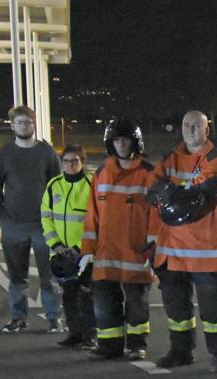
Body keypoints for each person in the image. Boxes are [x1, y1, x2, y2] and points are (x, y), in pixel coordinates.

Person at [151, 110, 217, 373]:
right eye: (187, 125)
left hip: (205, 249)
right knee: (176, 308)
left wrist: (172, 195)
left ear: (206, 130)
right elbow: (152, 191)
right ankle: (180, 351)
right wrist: (176, 196)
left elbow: (201, 200)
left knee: (213, 308)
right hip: (172, 249)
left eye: (197, 126)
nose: (191, 130)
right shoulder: (169, 159)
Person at [81, 119, 159, 360]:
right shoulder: (101, 174)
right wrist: (87, 251)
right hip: (106, 254)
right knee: (105, 304)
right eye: (117, 139)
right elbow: (92, 215)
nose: (121, 144)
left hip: (137, 254)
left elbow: (157, 215)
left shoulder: (149, 174)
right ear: (110, 143)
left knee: (137, 305)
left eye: (125, 139)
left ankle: (136, 345)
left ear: (135, 142)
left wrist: (153, 248)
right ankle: (109, 346)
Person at [0, 105, 62, 333]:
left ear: (34, 124)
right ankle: (18, 318)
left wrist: (55, 219)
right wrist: (1, 216)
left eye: (27, 122)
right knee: (17, 276)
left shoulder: (47, 153)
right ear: (12, 126)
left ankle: (53, 318)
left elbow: (57, 186)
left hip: (43, 225)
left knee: (49, 276)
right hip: (13, 226)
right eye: (19, 123)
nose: (24, 126)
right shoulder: (4, 154)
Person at [40, 144, 94, 348]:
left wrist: (81, 247)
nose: (70, 164)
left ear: (82, 162)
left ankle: (90, 336)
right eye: (66, 161)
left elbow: (97, 221)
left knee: (87, 296)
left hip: (85, 253)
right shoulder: (54, 185)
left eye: (75, 160)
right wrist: (55, 244)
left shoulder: (91, 185)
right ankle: (75, 334)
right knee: (69, 296)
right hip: (61, 254)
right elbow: (46, 217)